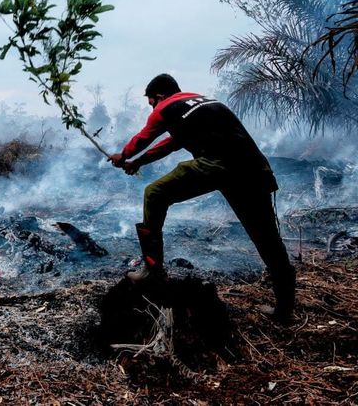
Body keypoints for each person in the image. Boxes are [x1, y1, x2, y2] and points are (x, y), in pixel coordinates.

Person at [108, 74, 296, 322]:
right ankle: (285, 310)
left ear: (160, 96)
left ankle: (153, 271)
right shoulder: (203, 104)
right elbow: (169, 144)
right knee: (267, 239)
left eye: (152, 102)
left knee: (154, 193)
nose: (153, 107)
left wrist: (123, 155)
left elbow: (146, 137)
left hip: (218, 164)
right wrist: (138, 162)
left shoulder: (166, 106)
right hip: (254, 169)